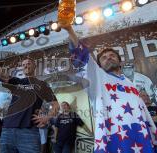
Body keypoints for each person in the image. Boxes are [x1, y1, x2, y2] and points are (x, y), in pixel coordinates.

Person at [61, 24, 157, 152]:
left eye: (112, 55)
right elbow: (83, 56)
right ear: (99, 65)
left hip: (141, 135)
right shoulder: (97, 78)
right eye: (104, 58)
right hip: (115, 138)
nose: (109, 58)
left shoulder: (130, 83)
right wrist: (69, 29)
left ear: (120, 61)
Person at [0, 42, 59, 153]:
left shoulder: (42, 84)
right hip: (7, 130)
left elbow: (56, 105)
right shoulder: (17, 82)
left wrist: (46, 118)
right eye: (24, 64)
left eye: (29, 63)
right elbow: (0, 75)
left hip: (29, 132)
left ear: (34, 66)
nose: (26, 65)